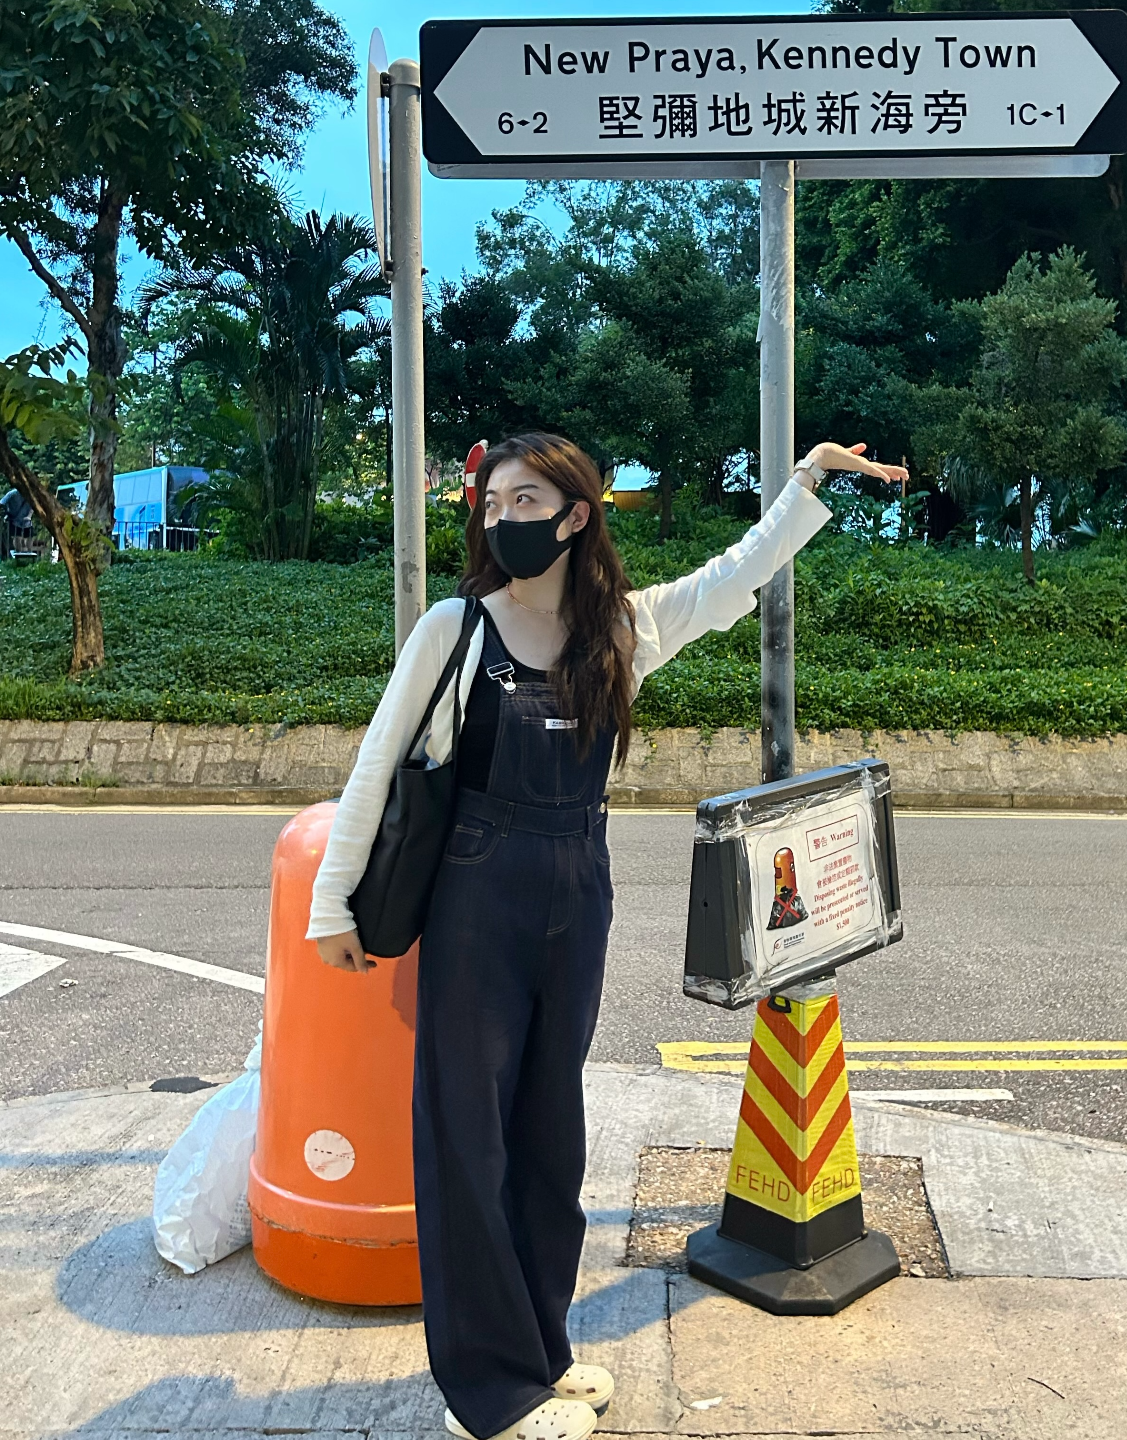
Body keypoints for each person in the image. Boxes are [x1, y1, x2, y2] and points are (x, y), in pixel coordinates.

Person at [305, 433, 906, 1440]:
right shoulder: (456, 629)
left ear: (576, 515)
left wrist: (806, 481)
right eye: (493, 501)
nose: (503, 517)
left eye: (525, 499)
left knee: (550, 1134)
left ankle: (542, 1351)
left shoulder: (621, 629)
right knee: (467, 1138)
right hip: (474, 894)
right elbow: (377, 765)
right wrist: (333, 905)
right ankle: (490, 1396)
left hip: (578, 889)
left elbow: (732, 580)